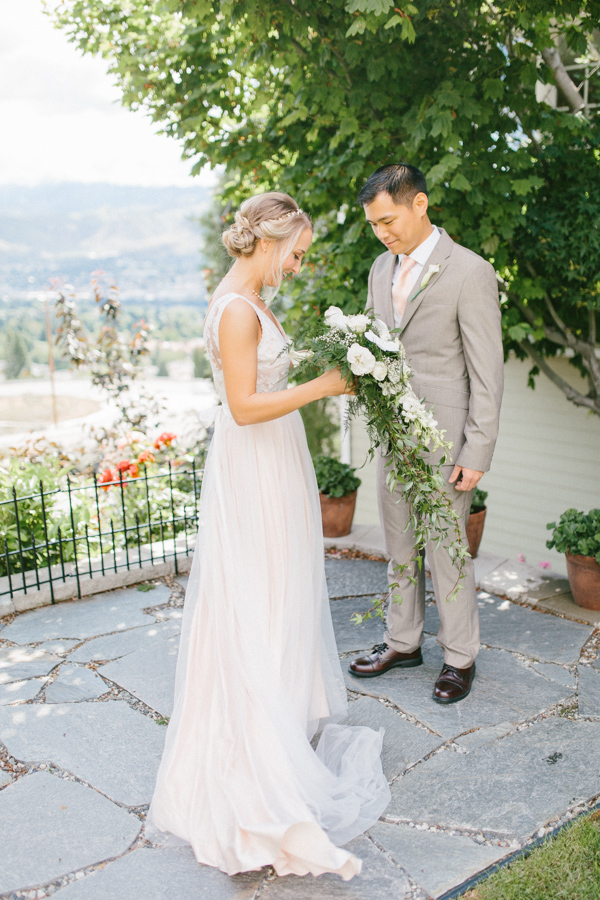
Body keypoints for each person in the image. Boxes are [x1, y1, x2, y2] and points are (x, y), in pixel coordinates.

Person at [148, 192, 390, 880]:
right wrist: (326, 385)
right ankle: (256, 770)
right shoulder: (234, 309)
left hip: (273, 468)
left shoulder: (251, 302)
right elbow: (246, 406)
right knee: (260, 606)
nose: (299, 265)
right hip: (253, 472)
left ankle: (280, 737)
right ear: (270, 240)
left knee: (282, 603)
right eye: (297, 252)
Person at [349, 164, 504, 704]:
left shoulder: (469, 271)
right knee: (398, 543)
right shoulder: (377, 268)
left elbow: (487, 372)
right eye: (373, 225)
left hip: (447, 440)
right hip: (393, 433)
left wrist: (477, 448)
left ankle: (460, 656)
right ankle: (402, 640)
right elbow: (375, 344)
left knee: (447, 549)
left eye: (388, 220)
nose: (382, 232)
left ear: (420, 204)